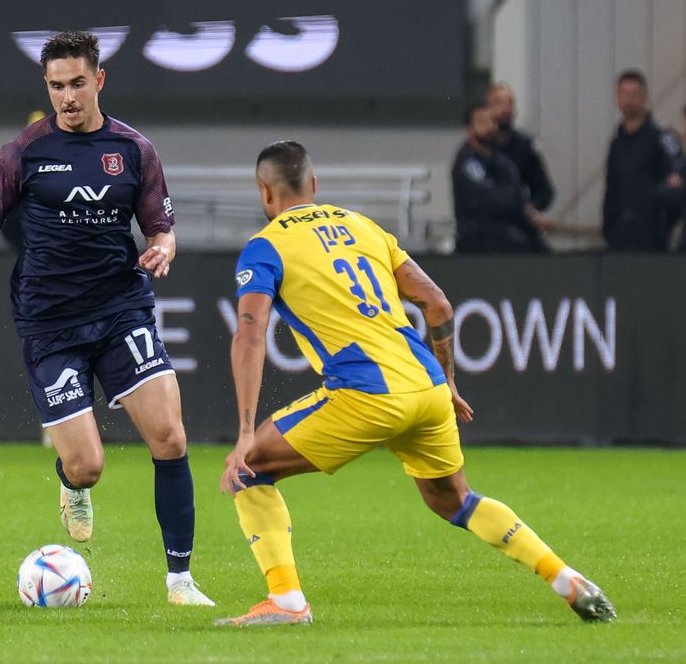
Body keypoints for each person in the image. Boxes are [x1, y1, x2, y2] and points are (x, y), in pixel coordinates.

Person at [214, 140, 616, 626]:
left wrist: (244, 432)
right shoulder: (363, 226)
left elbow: (250, 333)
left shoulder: (266, 246)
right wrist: (449, 381)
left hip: (365, 393)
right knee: (456, 501)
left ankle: (287, 602)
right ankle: (565, 577)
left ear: (265, 191)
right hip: (427, 386)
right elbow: (438, 303)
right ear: (314, 185)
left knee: (251, 468)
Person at [0, 31, 214, 607]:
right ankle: (72, 484)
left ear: (99, 80)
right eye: (56, 86)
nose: (67, 97)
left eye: (76, 84)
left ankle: (180, 581)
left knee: (170, 436)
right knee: (89, 465)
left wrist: (163, 248)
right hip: (50, 323)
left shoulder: (134, 150)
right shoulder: (23, 152)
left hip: (121, 310)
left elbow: (161, 228)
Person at [451, 103, 551, 253]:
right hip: (478, 241)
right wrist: (519, 208)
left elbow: (517, 194)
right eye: (482, 122)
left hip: (513, 236)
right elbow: (491, 201)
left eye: (492, 121)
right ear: (469, 129)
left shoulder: (504, 164)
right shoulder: (467, 163)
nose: (490, 127)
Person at [602, 70, 681, 251]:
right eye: (624, 94)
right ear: (617, 97)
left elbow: (676, 184)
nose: (629, 100)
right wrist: (609, 225)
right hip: (619, 235)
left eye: (634, 94)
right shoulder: (616, 144)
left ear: (645, 96)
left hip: (653, 236)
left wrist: (662, 225)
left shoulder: (663, 138)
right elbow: (611, 188)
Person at [487, 83, 555, 213]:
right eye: (498, 103)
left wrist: (532, 208)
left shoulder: (524, 146)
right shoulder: (480, 146)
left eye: (510, 103)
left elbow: (544, 191)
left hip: (518, 217)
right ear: (488, 109)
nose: (505, 108)